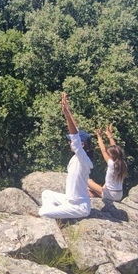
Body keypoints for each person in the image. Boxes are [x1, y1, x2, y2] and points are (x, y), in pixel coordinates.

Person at [37, 92, 93, 220]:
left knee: (43, 213)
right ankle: (58, 213)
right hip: (68, 201)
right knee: (46, 194)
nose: (69, 142)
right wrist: (67, 111)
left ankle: (55, 214)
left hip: (79, 207)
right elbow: (76, 131)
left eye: (71, 141)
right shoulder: (79, 157)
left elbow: (75, 138)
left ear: (82, 145)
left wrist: (67, 116)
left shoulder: (83, 159)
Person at [89, 124, 127, 202]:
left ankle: (94, 194)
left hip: (110, 195)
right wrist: (109, 136)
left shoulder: (111, 164)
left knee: (87, 180)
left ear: (111, 156)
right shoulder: (122, 163)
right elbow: (115, 150)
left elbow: (103, 150)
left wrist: (99, 136)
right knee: (106, 184)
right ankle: (97, 193)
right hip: (119, 195)